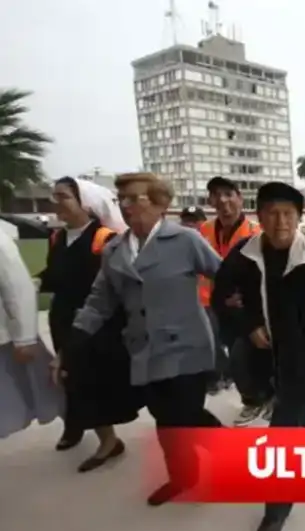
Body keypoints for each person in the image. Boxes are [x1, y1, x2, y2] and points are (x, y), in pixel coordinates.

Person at [59, 172, 224, 506]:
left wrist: (238, 305)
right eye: (123, 199)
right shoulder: (114, 250)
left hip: (187, 348)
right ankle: (183, 477)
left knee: (186, 416)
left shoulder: (185, 240)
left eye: (136, 198)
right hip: (143, 351)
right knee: (166, 422)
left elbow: (225, 274)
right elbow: (99, 301)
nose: (127, 205)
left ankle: (236, 459)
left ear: (161, 203)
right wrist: (72, 342)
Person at [209, 181, 305, 531]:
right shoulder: (244, 255)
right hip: (262, 361)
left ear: (299, 218)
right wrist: (248, 324)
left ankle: (276, 510)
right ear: (260, 216)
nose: (280, 221)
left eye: (288, 213)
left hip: (302, 364)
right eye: (272, 213)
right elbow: (222, 297)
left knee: (281, 438)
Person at [39, 177, 138, 470]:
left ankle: (108, 440)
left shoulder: (104, 238)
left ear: (86, 202)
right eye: (54, 196)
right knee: (71, 378)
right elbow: (55, 276)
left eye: (63, 196)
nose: (56, 202)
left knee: (94, 381)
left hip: (97, 324)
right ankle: (80, 426)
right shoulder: (57, 238)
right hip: (63, 319)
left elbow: (113, 286)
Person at [198, 176, 264, 423]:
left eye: (229, 194)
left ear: (240, 198)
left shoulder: (255, 233)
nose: (223, 201)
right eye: (217, 195)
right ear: (210, 200)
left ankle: (253, 399)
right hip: (212, 305)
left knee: (240, 356)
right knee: (224, 352)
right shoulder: (203, 231)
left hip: (244, 308)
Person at [0, 225, 64, 440]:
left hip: (7, 337)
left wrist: (25, 337)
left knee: (41, 388)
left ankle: (81, 422)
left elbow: (19, 288)